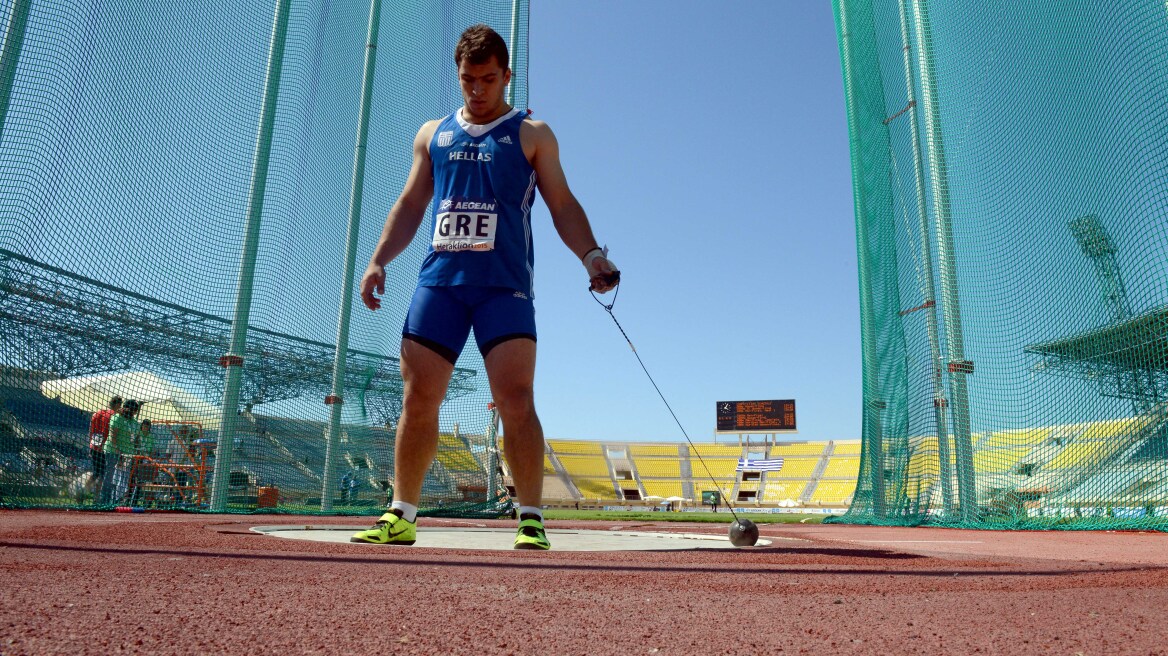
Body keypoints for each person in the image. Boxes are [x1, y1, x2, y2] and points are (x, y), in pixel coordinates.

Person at [351, 24, 618, 550]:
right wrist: (379, 259)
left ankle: (531, 519)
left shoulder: (532, 133)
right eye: (468, 80)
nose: (476, 90)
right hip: (441, 284)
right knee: (419, 397)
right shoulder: (434, 133)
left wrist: (590, 256)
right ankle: (401, 514)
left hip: (504, 288)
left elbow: (562, 204)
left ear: (506, 77)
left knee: (516, 397)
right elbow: (410, 204)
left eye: (488, 80)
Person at [104, 399, 141, 505]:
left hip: (127, 453)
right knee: (111, 476)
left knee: (124, 478)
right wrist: (118, 451)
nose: (134, 413)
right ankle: (106, 501)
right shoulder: (117, 418)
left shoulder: (134, 422)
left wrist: (137, 450)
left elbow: (136, 437)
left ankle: (117, 500)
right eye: (133, 410)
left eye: (135, 411)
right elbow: (113, 436)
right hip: (113, 451)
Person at [89, 395, 122, 504]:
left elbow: (91, 430)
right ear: (117, 405)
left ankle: (83, 491)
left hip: (93, 446)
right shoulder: (115, 416)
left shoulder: (97, 413)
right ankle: (97, 497)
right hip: (106, 448)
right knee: (103, 474)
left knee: (96, 472)